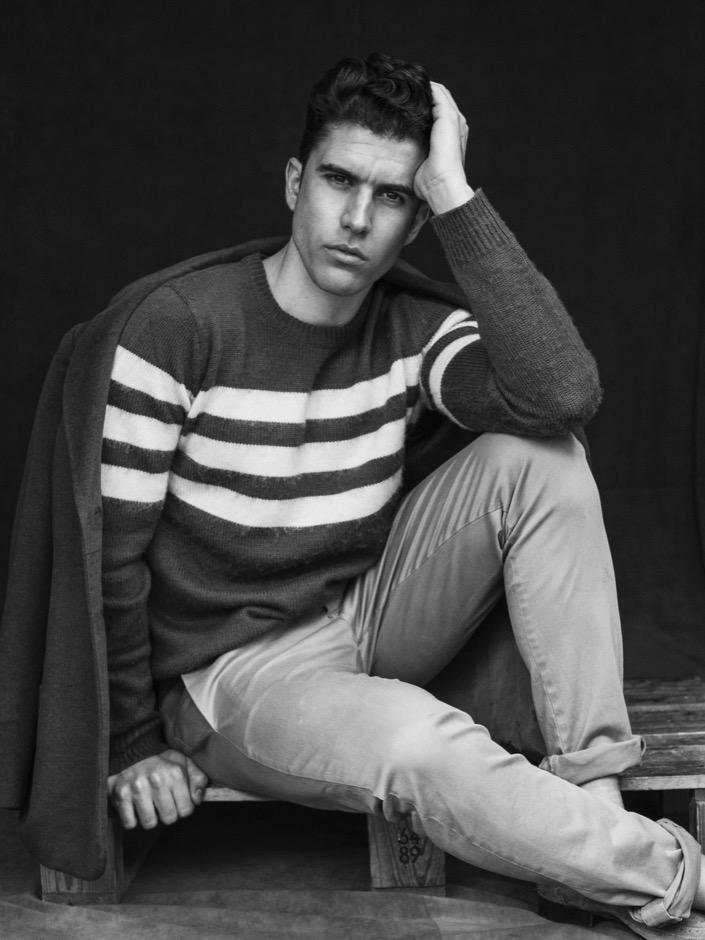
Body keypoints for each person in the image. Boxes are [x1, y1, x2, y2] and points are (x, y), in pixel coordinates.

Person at [10, 52, 705, 936]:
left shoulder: (412, 330)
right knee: (419, 745)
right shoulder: (178, 330)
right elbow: (111, 560)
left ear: (414, 222)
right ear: (294, 182)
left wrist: (454, 192)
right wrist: (134, 741)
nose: (356, 219)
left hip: (368, 612)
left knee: (545, 459)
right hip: (233, 673)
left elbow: (560, 395)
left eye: (393, 197)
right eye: (338, 180)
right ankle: (668, 873)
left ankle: (591, 798)